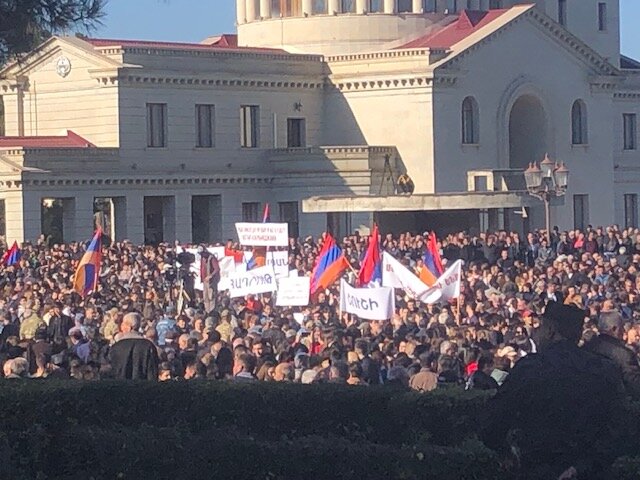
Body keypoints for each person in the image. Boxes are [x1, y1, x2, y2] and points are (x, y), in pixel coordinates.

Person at [483, 302, 627, 479]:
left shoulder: (530, 368)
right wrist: (581, 467)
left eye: (540, 326)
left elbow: (491, 423)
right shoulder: (605, 369)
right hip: (590, 472)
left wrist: (507, 451)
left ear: (551, 330)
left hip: (536, 469)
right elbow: (617, 430)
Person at [583, 304, 640, 400]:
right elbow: (635, 388)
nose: (624, 332)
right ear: (614, 329)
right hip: (618, 405)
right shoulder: (624, 355)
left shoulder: (587, 347)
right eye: (622, 327)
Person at [109, 312, 159, 380]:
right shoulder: (148, 346)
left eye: (123, 324)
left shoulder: (116, 347)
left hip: (120, 388)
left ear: (128, 326)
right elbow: (152, 373)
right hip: (143, 388)